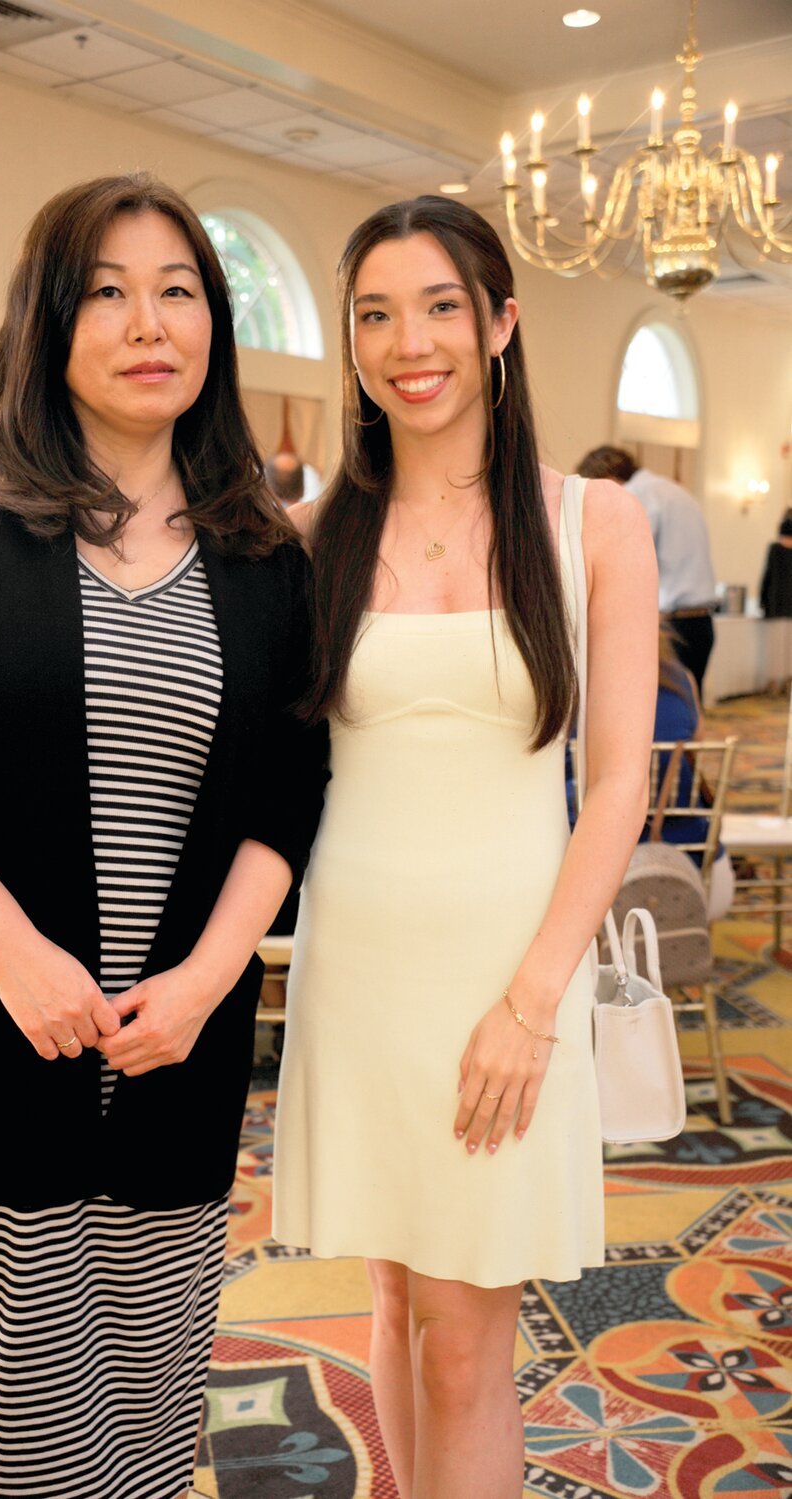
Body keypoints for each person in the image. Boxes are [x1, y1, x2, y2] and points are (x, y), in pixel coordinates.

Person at [0, 173, 328, 1499]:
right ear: (49, 316)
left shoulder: (261, 551)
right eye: (105, 289)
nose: (145, 320)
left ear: (213, 326)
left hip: (176, 1041)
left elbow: (287, 782)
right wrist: (18, 958)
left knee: (146, 1399)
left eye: (177, 290)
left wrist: (213, 976)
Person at [271, 196, 658, 1499]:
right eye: (373, 312)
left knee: (463, 1345)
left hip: (508, 976)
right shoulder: (317, 533)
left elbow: (615, 779)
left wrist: (532, 998)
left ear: (500, 321)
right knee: (390, 1294)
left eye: (439, 305)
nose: (406, 340)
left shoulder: (590, 521)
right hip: (356, 966)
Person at [566, 625, 735, 921]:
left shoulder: (570, 686)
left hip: (596, 885)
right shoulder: (682, 679)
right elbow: (695, 743)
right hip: (699, 871)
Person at [578, 445, 717, 695]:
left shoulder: (635, 494)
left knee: (654, 713)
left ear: (606, 479)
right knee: (688, 710)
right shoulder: (676, 491)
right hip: (701, 622)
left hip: (670, 629)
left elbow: (626, 563)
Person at [760, 508, 792, 619]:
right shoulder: (776, 550)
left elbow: (768, 576)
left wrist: (763, 601)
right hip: (777, 605)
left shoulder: (775, 549)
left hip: (775, 606)